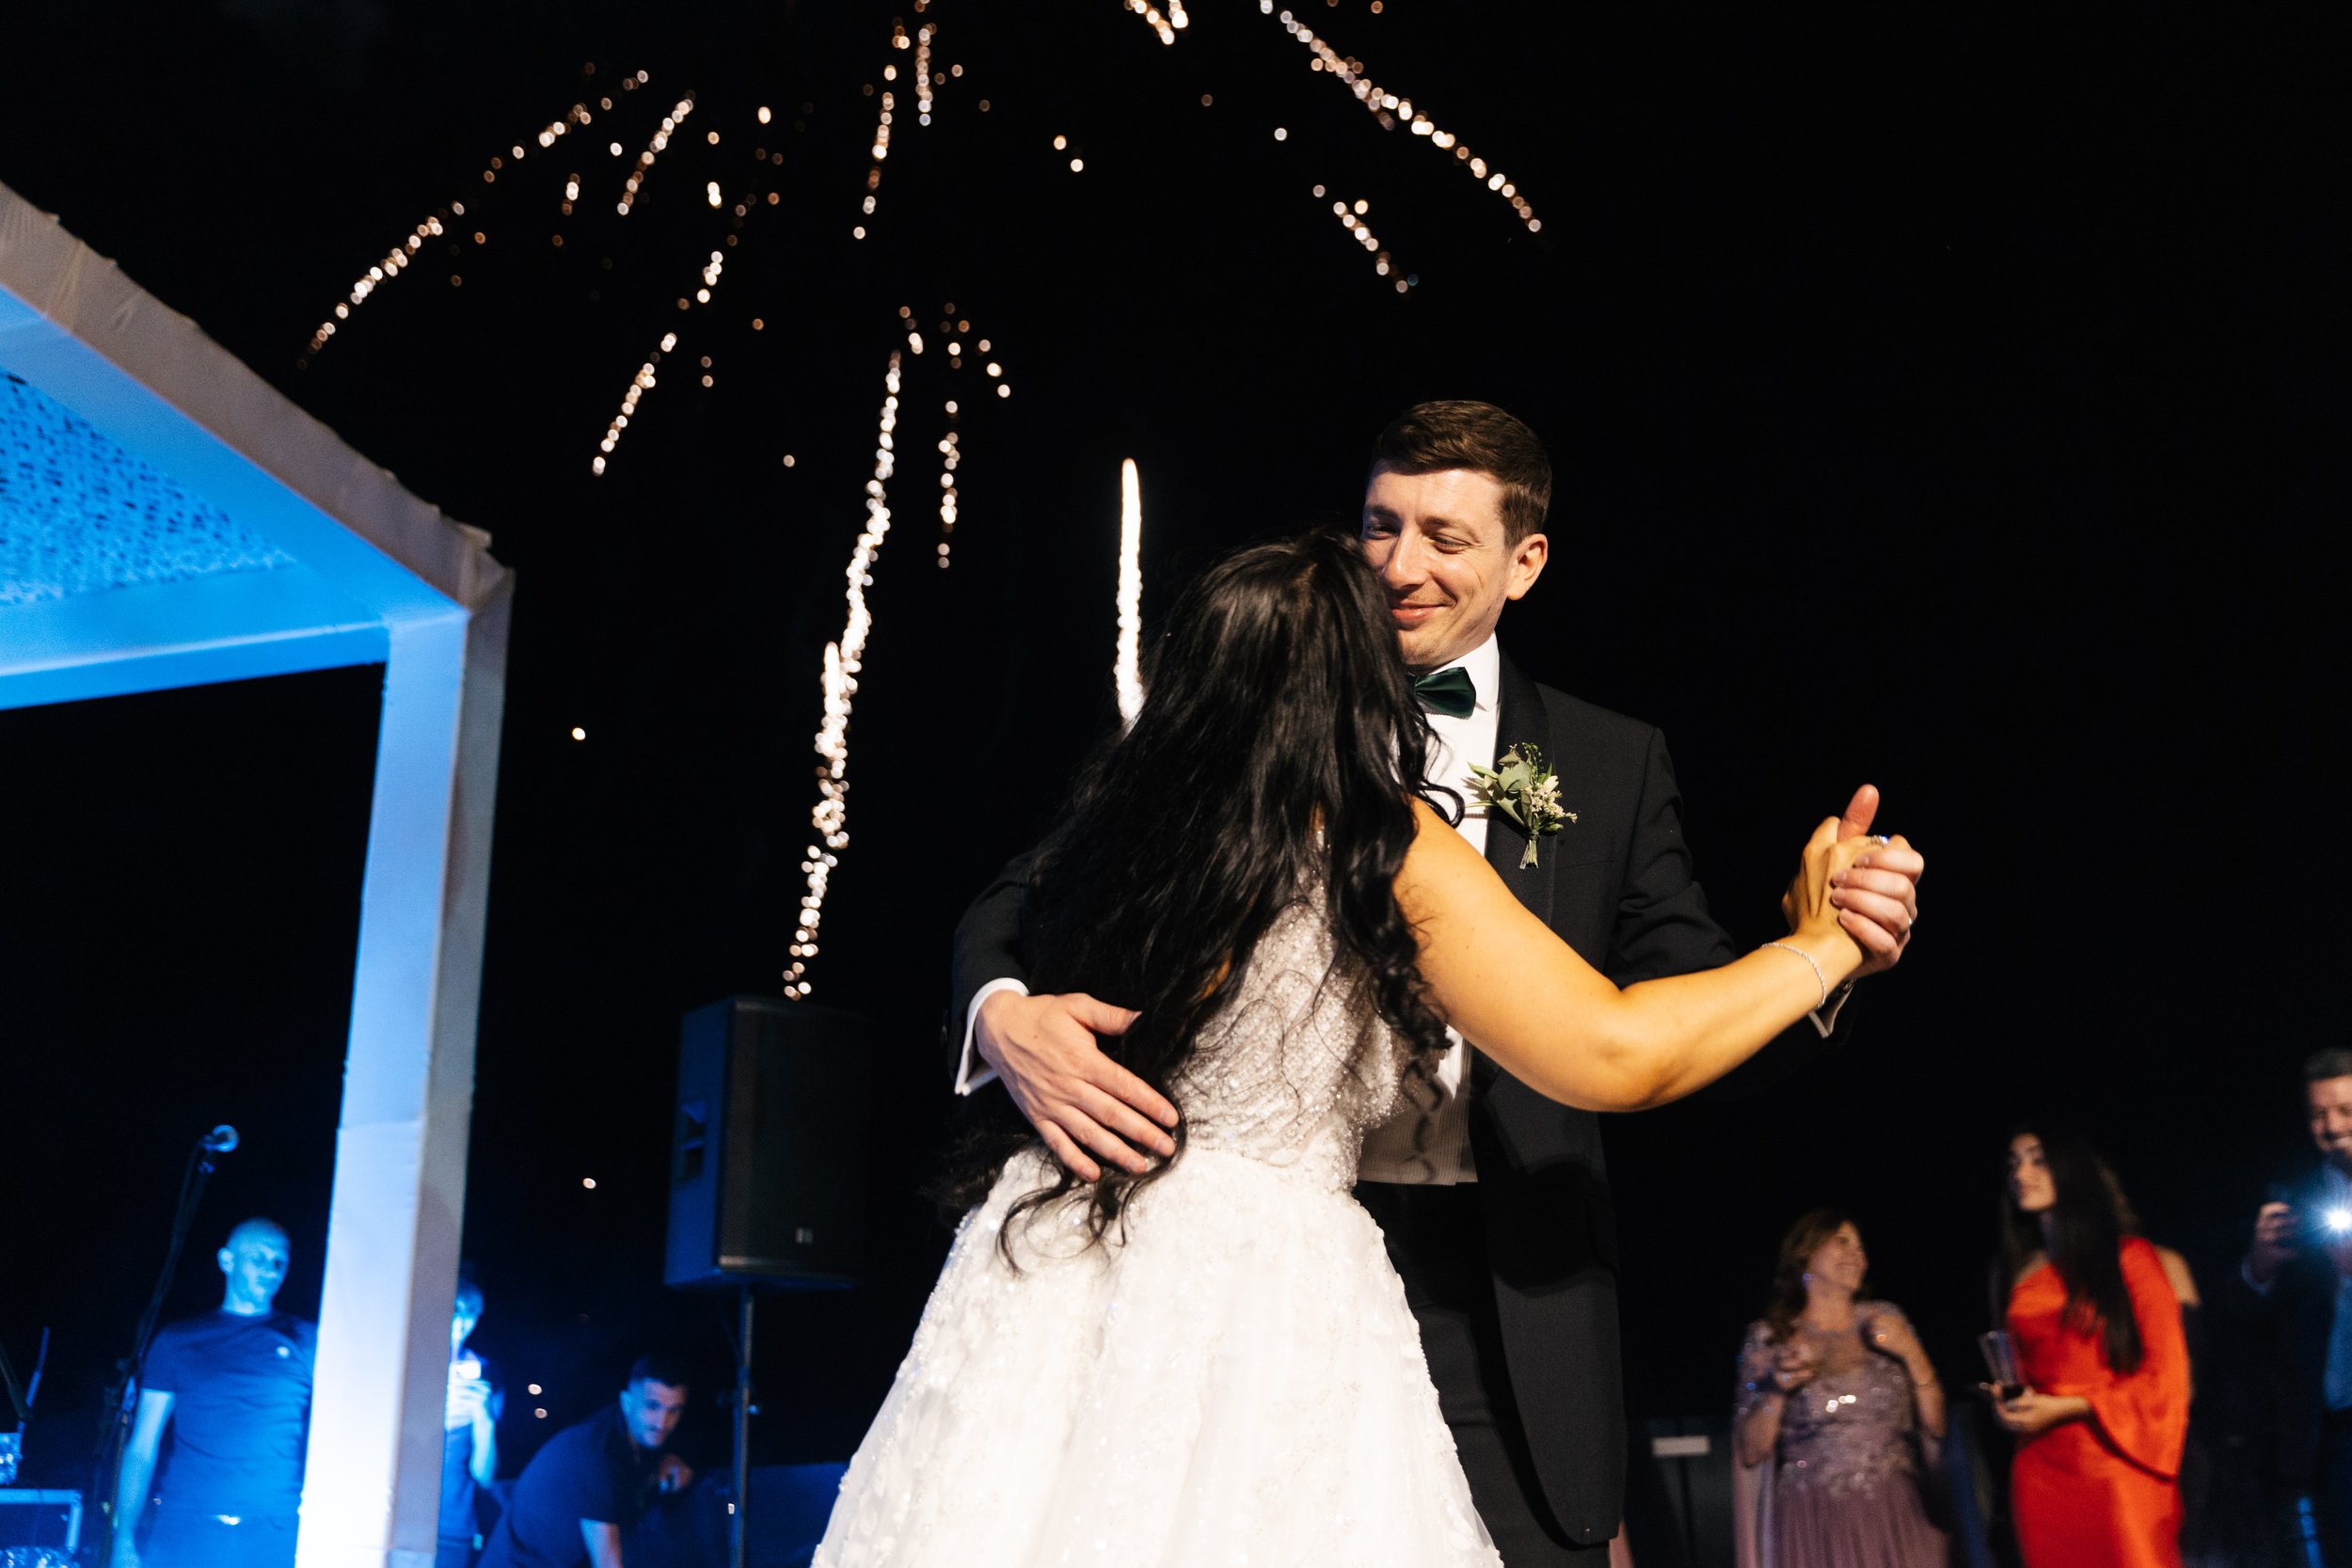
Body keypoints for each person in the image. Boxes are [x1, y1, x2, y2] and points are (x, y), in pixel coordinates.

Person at [946, 401, 1926, 1561]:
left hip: (1500, 1282)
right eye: (1379, 524)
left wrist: (1821, 955)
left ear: (1526, 561)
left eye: (1444, 538)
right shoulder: (1231, 726)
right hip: (1212, 1266)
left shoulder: (1612, 762)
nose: (1399, 566)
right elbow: (1025, 892)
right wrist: (1000, 1015)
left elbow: (1673, 1022)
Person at [1995, 1127, 2191, 1567]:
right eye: (2013, 1164)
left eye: (2037, 1159)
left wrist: (2073, 1406)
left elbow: (2168, 1377)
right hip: (2041, 1469)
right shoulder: (2020, 1274)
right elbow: (2027, 1372)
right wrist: (2012, 1403)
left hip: (2117, 1461)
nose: (2020, 1173)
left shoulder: (2132, 1259)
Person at [1733, 1211, 1947, 1568]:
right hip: (1814, 1517)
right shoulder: (1770, 1337)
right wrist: (1775, 1390)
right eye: (1843, 1241)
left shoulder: (1887, 1320)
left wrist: (1912, 1353)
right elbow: (1752, 1452)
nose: (1857, 1254)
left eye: (1861, 1247)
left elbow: (1937, 1426)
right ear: (1805, 1253)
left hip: (1894, 1509)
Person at [110, 1218, 316, 1568]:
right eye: (258, 1258)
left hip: (274, 1532)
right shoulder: (177, 1341)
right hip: (185, 1529)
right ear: (227, 1260)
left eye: (279, 1260)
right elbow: (143, 1445)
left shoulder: (305, 1339)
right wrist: (123, 1538)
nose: (270, 1269)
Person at [2221, 1048, 2352, 1564]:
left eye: (2345, 1110)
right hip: (2335, 1433)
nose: (2332, 1126)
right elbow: (2239, 1318)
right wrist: (2260, 1265)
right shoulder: (2296, 1201)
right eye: (2318, 1114)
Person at [474, 1356, 693, 1568]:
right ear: (627, 1403)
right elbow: (608, 1564)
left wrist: (663, 1465)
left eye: (674, 1410)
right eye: (652, 1406)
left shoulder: (635, 1443)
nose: (663, 1422)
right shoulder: (596, 1454)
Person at [439, 1268, 502, 1568]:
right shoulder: (407, 1363)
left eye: (471, 1312)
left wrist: (484, 1420)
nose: (461, 1321)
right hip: (402, 1512)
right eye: (454, 1308)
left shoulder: (486, 1375)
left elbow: (485, 1475)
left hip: (454, 1527)